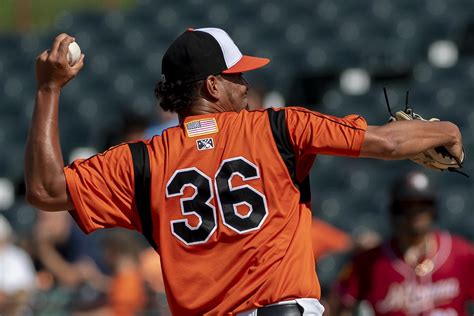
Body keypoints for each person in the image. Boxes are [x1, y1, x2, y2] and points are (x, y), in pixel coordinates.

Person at [24, 27, 464, 315]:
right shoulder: (278, 126)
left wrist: (48, 90)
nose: (246, 84)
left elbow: (45, 190)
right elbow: (386, 142)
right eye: (236, 77)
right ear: (212, 86)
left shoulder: (139, 160)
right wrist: (445, 128)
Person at [330, 171, 474, 315]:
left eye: (423, 204)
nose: (416, 212)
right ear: (395, 210)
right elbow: (338, 304)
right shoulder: (370, 262)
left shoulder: (461, 254)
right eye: (407, 205)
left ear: (434, 209)